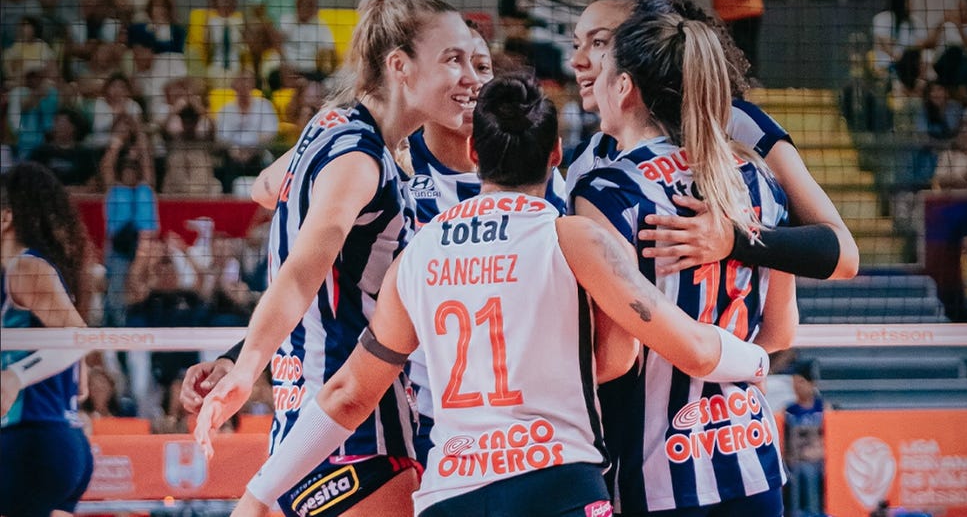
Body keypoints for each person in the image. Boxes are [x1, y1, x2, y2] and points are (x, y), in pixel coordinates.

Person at [219, 72, 771, 517]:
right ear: (556, 153)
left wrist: (260, 494)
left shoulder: (417, 255)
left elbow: (346, 396)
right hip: (556, 481)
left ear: (474, 152)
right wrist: (758, 360)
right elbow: (675, 352)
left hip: (453, 491)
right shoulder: (574, 238)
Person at [191, 0, 484, 517]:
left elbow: (265, 186)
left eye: (474, 62)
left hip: (302, 416)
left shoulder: (331, 124)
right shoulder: (360, 160)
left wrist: (243, 359)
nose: (470, 78)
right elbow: (302, 273)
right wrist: (244, 368)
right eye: (453, 60)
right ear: (399, 66)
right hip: (354, 424)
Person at [571, 11, 794, 516]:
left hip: (656, 468)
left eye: (603, 69)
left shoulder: (608, 191)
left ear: (623, 87)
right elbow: (781, 331)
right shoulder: (756, 177)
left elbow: (615, 357)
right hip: (751, 453)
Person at [567, 0, 858, 281]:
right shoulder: (589, 157)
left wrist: (735, 239)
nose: (576, 60)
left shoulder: (736, 123)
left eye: (599, 42)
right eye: (577, 44)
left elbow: (844, 256)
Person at [0, 162, 94, 516]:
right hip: (55, 443)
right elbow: (81, 385)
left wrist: (16, 376)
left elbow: (79, 338)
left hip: (33, 442)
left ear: (6, 217)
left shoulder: (25, 268)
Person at [784, 363, 826, 517]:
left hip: (819, 461)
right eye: (794, 382)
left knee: (811, 471)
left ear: (811, 384)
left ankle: (814, 512)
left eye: (800, 382)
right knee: (799, 472)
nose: (796, 386)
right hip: (796, 461)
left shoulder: (823, 408)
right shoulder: (789, 411)